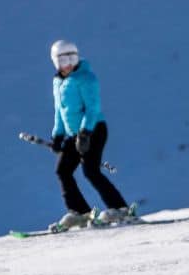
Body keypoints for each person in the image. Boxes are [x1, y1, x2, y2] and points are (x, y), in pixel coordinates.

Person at [47, 40, 132, 231]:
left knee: (91, 171)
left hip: (94, 130)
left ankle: (120, 208)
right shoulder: (57, 82)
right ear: (55, 62)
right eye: (63, 60)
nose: (68, 64)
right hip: (72, 135)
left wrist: (85, 133)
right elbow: (59, 111)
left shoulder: (86, 78)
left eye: (72, 58)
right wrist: (58, 135)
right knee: (63, 171)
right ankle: (79, 212)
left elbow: (93, 109)